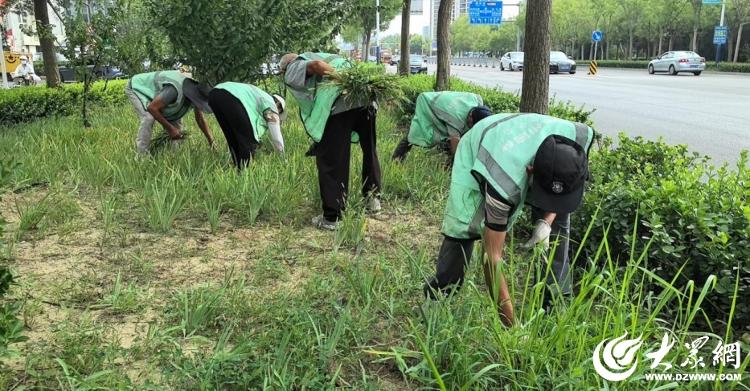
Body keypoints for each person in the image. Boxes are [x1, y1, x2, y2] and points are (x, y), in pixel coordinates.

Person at [423, 113, 594, 327]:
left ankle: (554, 301)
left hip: (536, 154)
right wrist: (511, 328)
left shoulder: (574, 148)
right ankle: (440, 292)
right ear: (530, 171)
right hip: (480, 148)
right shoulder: (502, 182)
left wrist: (546, 223)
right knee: (463, 228)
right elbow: (491, 258)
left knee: (560, 226)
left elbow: (561, 194)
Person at [279, 52, 382, 230]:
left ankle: (332, 218)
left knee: (332, 160)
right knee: (370, 150)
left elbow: (317, 66)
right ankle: (372, 200)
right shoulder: (330, 56)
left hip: (340, 103)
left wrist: (346, 81)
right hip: (366, 101)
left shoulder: (294, 65)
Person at [125, 70, 214, 155]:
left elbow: (200, 119)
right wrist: (170, 129)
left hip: (158, 97)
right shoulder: (174, 90)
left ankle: (173, 156)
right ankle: (142, 157)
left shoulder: (195, 91)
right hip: (139, 87)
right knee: (149, 118)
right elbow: (152, 108)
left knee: (176, 125)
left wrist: (212, 143)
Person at [392, 91, 491, 161]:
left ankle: (447, 164)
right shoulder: (455, 118)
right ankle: (397, 158)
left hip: (443, 103)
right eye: (472, 125)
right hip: (428, 104)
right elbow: (455, 146)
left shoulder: (477, 102)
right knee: (414, 134)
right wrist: (460, 163)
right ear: (470, 117)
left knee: (452, 140)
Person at [208, 82, 286, 168]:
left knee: (233, 140)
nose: (278, 114)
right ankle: (245, 174)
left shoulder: (259, 95)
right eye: (279, 112)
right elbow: (276, 137)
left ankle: (238, 170)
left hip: (214, 94)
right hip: (232, 97)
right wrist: (282, 159)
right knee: (248, 141)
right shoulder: (271, 104)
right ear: (278, 106)